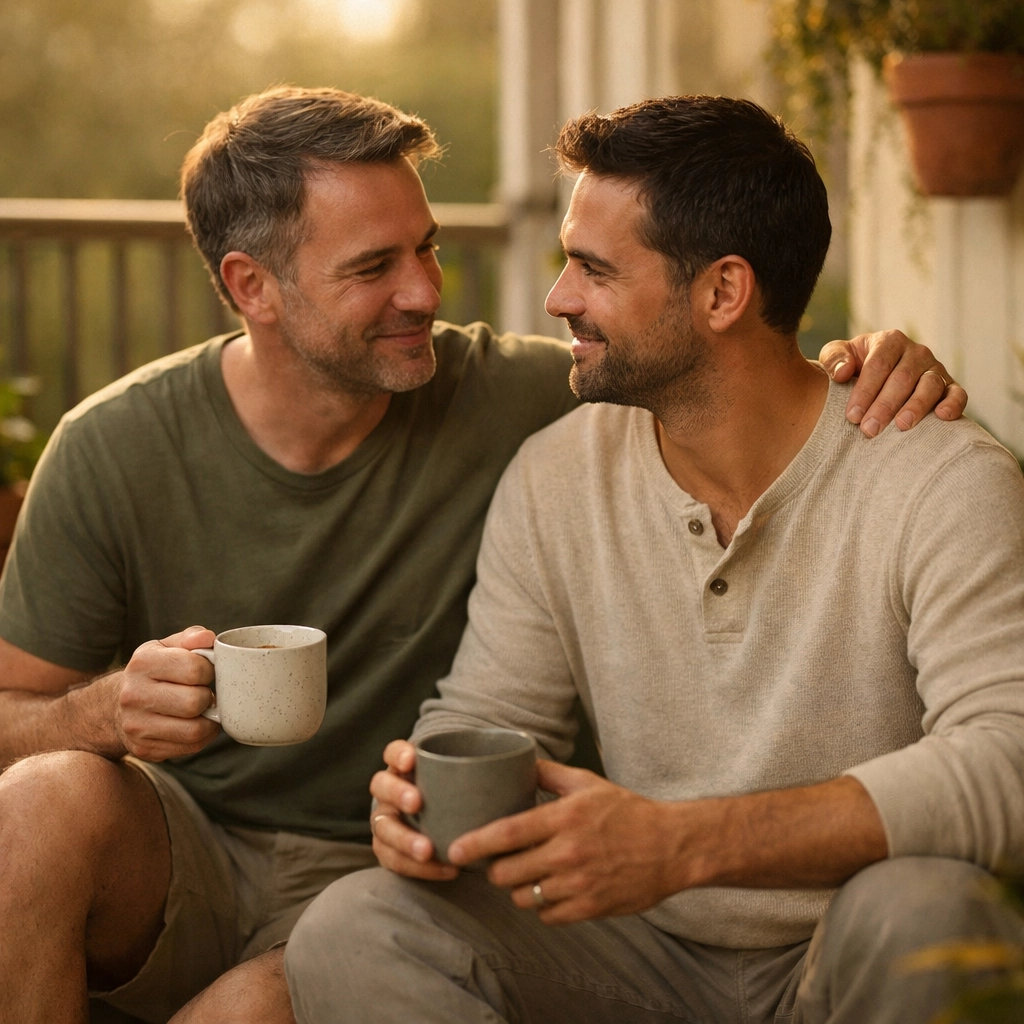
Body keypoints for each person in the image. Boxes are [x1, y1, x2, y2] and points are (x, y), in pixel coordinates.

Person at [0, 86, 961, 1024]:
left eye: (427, 247)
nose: (425, 291)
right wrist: (102, 712)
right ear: (253, 285)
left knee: (281, 987)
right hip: (186, 851)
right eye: (373, 266)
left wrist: (865, 364)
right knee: (37, 802)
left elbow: (714, 363)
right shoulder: (112, 446)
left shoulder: (527, 399)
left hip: (395, 872)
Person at [284, 96, 1024, 1024]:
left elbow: (1008, 761)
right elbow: (493, 718)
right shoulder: (556, 476)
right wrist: (420, 798)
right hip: (638, 956)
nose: (558, 299)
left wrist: (681, 844)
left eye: (594, 269)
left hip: (853, 941)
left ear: (723, 293)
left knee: (929, 913)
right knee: (356, 928)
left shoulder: (941, 479)